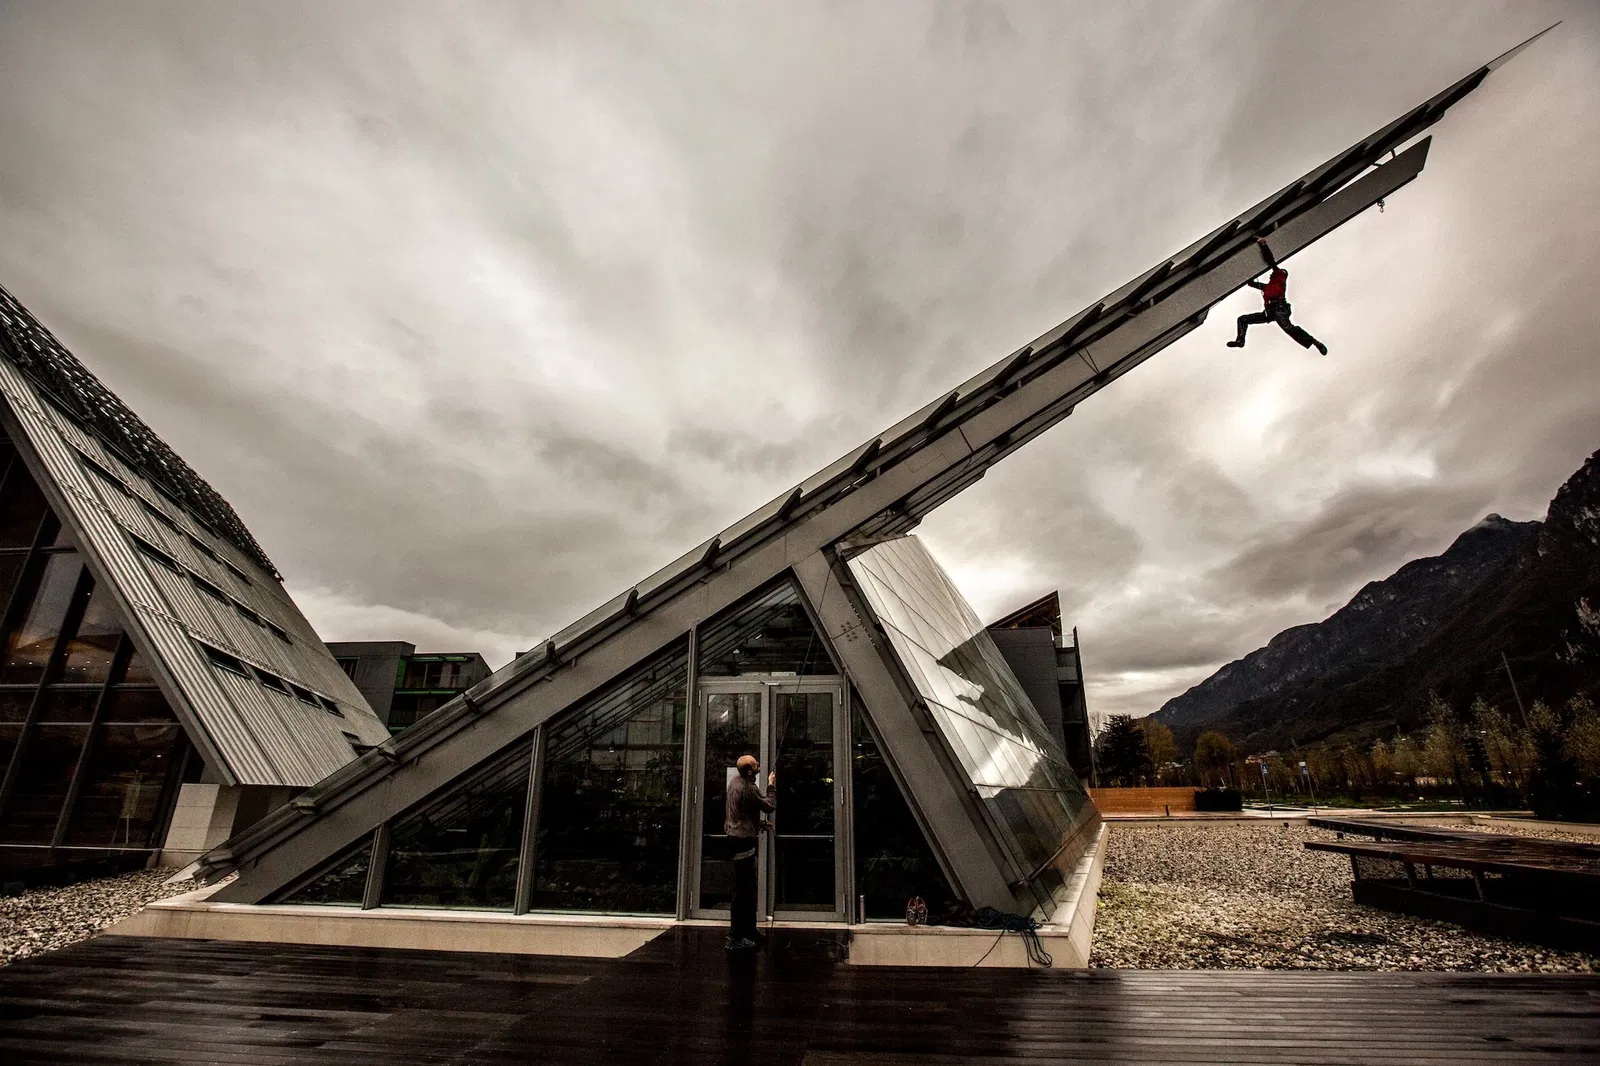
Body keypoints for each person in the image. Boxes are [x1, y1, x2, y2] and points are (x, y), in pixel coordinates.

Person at [1227, 239, 1328, 355]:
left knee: (1289, 328)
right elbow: (1252, 284)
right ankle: (1240, 341)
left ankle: (1316, 343)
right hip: (1269, 312)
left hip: (1279, 308)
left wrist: (1263, 246)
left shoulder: (1280, 277)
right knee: (1242, 319)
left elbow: (1271, 262)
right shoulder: (1268, 286)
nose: (1270, 275)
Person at [725, 754, 776, 951]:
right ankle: (736, 936)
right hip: (742, 842)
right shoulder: (747, 787)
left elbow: (742, 812)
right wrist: (771, 785)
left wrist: (759, 824)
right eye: (755, 765)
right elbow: (769, 806)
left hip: (736, 838)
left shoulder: (735, 782)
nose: (758, 765)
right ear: (748, 771)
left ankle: (749, 931)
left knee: (746, 889)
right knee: (743, 890)